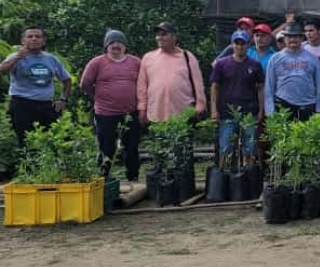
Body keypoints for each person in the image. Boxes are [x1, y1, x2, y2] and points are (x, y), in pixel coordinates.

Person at [80, 30, 140, 180]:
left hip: (131, 113)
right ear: (106, 46)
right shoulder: (97, 62)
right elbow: (85, 83)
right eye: (112, 43)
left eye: (119, 42)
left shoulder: (136, 62)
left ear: (125, 46)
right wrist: (97, 97)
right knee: (106, 147)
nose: (116, 45)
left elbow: (144, 83)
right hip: (105, 113)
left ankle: (133, 177)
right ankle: (104, 178)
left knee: (132, 147)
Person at [0, 27, 72, 148]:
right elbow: (2, 70)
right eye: (30, 36)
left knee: (54, 140)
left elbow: (67, 80)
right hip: (22, 104)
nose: (34, 39)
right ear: (23, 41)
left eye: (38, 37)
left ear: (43, 41)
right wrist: (17, 57)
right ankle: (26, 159)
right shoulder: (15, 56)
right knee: (25, 141)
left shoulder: (51, 59)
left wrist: (63, 99)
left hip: (46, 104)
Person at [209, 30, 264, 166]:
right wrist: (214, 109)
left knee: (250, 148)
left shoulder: (255, 65)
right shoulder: (221, 64)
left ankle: (248, 173)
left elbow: (260, 88)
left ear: (248, 45)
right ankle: (224, 172)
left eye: (243, 44)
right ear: (232, 45)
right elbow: (214, 87)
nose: (240, 46)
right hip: (227, 113)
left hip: (249, 113)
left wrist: (261, 110)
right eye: (237, 43)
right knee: (225, 147)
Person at [137, 22, 207, 125]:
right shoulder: (148, 58)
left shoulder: (187, 56)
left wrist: (200, 105)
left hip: (184, 114)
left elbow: (198, 84)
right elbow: (142, 87)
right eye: (158, 35)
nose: (159, 38)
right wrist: (142, 108)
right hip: (156, 114)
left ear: (174, 37)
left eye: (164, 34)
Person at [264, 22, 320, 121]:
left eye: (296, 36)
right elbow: (269, 87)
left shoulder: (313, 59)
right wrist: (270, 111)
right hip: (283, 106)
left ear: (302, 38)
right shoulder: (275, 59)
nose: (293, 39)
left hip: (308, 106)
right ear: (284, 38)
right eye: (289, 36)